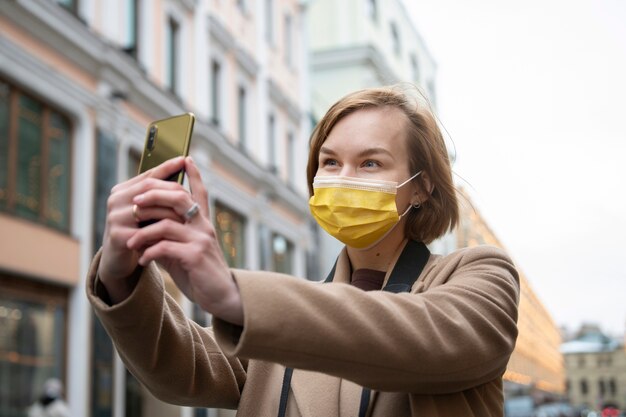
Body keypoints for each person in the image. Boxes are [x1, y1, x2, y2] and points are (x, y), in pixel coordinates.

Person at [87, 86, 520, 417]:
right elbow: (178, 367)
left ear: (422, 187)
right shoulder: (276, 324)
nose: (343, 178)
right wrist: (119, 275)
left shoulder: (479, 275)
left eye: (370, 163)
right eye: (329, 163)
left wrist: (233, 294)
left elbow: (424, 338)